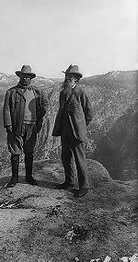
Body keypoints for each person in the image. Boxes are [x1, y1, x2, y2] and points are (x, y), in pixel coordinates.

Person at [3, 65, 48, 188]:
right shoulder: (12, 92)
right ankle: (14, 178)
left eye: (28, 77)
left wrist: (41, 114)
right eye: (23, 76)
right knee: (15, 152)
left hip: (32, 126)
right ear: (20, 77)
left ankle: (29, 177)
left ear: (31, 78)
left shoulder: (37, 92)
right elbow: (7, 109)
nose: (25, 79)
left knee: (29, 152)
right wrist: (8, 124)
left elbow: (44, 105)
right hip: (17, 126)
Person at [52, 64, 93, 197]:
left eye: (70, 76)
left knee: (79, 159)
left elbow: (89, 113)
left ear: (76, 79)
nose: (67, 78)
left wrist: (81, 125)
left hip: (77, 131)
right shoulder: (63, 93)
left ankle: (84, 186)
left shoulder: (81, 92)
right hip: (65, 130)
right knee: (66, 157)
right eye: (67, 76)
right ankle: (69, 181)